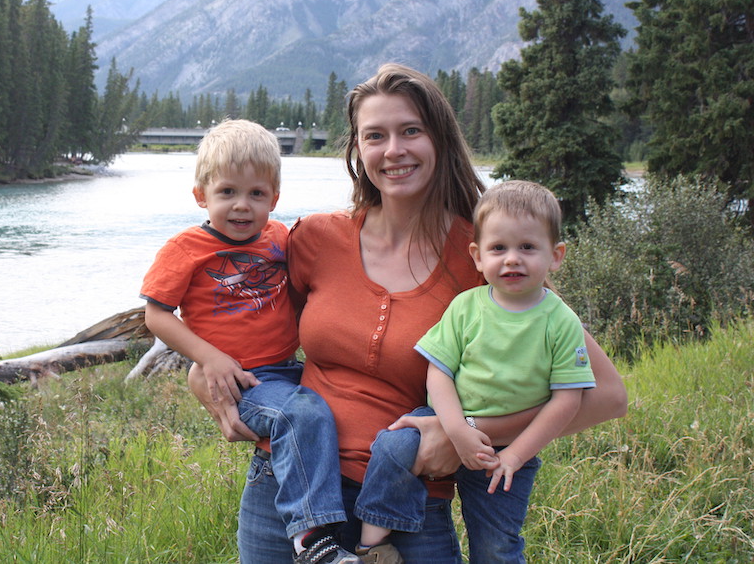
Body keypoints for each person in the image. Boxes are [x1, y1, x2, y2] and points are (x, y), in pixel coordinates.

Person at [189, 64, 628, 564]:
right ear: (358, 150)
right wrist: (200, 375)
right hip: (287, 501)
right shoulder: (315, 239)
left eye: (410, 131)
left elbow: (607, 396)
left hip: (408, 506)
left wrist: (462, 428)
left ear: (438, 139)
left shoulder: (482, 257)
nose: (393, 150)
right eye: (375, 135)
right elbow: (250, 328)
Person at [140, 119, 359, 564]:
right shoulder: (186, 249)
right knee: (304, 411)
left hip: (285, 367)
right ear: (201, 195)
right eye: (227, 193)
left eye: (256, 194)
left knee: (335, 405)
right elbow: (156, 315)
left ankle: (365, 530)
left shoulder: (278, 238)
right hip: (245, 380)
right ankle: (311, 539)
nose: (242, 206)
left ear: (273, 198)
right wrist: (209, 359)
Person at [355, 180, 595, 562]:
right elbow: (439, 372)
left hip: (508, 450)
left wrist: (516, 455)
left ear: (556, 255)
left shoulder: (561, 322)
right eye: (498, 248)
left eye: (528, 247)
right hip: (445, 420)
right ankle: (371, 545)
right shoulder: (466, 307)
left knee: (497, 543)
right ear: (478, 256)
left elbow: (568, 399)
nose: (512, 259)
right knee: (391, 445)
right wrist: (458, 432)